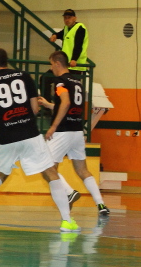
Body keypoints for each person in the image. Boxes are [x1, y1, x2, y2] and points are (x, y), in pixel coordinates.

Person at [0, 47, 80, 233]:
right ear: (6, 61)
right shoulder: (25, 76)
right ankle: (67, 221)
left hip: (6, 136)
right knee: (51, 173)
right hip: (28, 132)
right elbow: (35, 108)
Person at [37, 50, 110, 217]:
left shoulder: (60, 81)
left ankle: (69, 192)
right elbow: (69, 105)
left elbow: (65, 102)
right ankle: (101, 204)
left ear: (57, 63)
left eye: (51, 64)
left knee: (45, 166)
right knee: (83, 170)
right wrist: (49, 105)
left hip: (63, 130)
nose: (51, 68)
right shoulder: (77, 81)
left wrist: (53, 126)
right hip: (77, 130)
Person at [50, 9, 89, 78]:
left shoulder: (80, 28)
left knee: (70, 84)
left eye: (69, 18)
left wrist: (74, 59)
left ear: (75, 18)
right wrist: (55, 35)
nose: (67, 20)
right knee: (45, 78)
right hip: (65, 64)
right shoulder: (66, 28)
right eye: (65, 18)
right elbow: (61, 34)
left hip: (75, 65)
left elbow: (78, 45)